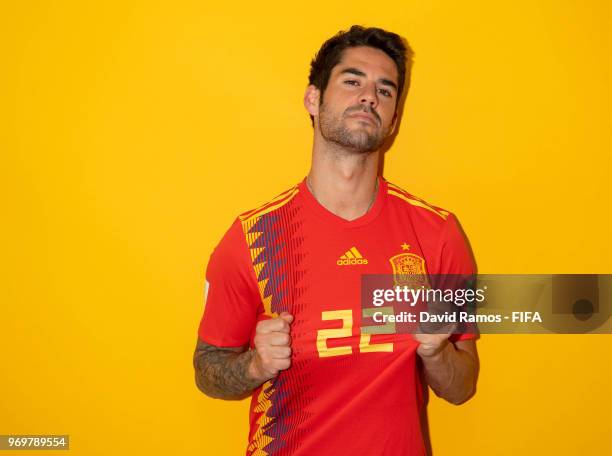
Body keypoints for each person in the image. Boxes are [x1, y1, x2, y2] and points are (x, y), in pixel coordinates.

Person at [193, 25, 479, 455]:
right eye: (352, 81)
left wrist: (437, 353)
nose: (369, 97)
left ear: (395, 118)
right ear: (314, 99)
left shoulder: (437, 233)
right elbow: (207, 370)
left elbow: (462, 387)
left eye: (385, 90)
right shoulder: (253, 238)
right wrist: (254, 365)